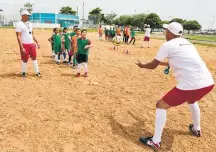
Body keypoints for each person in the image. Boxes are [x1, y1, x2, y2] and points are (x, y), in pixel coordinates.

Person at [136, 22, 214, 150]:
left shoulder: (168, 45)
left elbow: (153, 65)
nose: (165, 32)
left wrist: (144, 65)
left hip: (191, 84)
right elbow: (177, 60)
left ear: (170, 33)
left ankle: (155, 141)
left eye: (166, 31)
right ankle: (196, 128)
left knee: (161, 104)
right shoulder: (188, 43)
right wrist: (160, 64)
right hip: (208, 83)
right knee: (192, 100)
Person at [16, 10, 41, 77]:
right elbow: (18, 36)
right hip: (24, 44)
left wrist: (37, 42)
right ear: (23, 16)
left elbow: (32, 34)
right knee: (25, 59)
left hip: (31, 44)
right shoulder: (19, 24)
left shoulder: (30, 24)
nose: (29, 17)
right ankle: (23, 72)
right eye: (27, 15)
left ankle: (37, 72)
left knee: (34, 58)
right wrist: (21, 47)